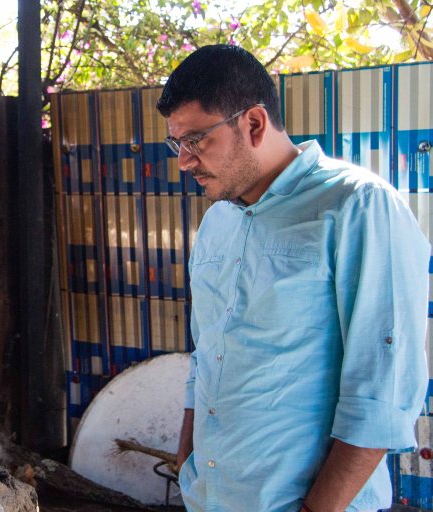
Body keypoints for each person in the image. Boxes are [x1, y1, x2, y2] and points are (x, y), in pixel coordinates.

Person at [156, 44, 430, 512]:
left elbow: (381, 390)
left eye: (196, 140)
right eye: (176, 143)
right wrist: (189, 465)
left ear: (254, 124)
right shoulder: (217, 222)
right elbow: (207, 357)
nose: (184, 161)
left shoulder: (357, 206)